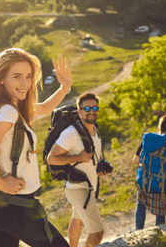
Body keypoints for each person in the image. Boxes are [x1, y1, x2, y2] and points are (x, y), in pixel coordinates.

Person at [0, 48, 72, 247]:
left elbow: (44, 108)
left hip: (2, 204)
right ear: (1, 78)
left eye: (28, 76)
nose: (25, 83)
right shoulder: (8, 112)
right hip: (14, 204)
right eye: (17, 76)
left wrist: (65, 87)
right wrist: (2, 184)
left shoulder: (5, 105)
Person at [47, 92, 108, 247]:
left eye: (95, 107)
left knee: (77, 220)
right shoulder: (71, 133)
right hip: (77, 187)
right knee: (97, 233)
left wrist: (101, 167)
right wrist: (78, 158)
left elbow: (92, 158)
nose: (91, 111)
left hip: (88, 186)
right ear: (79, 111)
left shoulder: (95, 130)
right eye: (87, 108)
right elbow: (51, 158)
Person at [133, 115, 166, 230]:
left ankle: (138, 231)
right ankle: (159, 232)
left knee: (140, 204)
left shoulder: (147, 141)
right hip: (161, 186)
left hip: (145, 183)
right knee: (161, 206)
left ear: (158, 127)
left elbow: (136, 160)